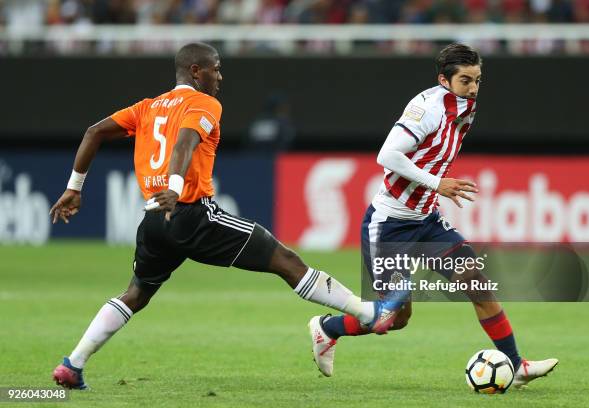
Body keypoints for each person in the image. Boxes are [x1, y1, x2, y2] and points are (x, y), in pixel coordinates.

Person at [49, 42, 392, 390]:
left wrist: (74, 187)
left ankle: (73, 365)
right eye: (216, 68)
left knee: (136, 293)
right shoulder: (204, 103)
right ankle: (368, 313)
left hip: (154, 219)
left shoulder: (148, 107)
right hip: (190, 214)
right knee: (286, 261)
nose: (220, 76)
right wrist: (175, 185)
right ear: (196, 71)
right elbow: (185, 141)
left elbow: (94, 132)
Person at [308, 43, 559, 386]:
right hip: (390, 227)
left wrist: (433, 190)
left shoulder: (467, 107)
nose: (473, 87)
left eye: (478, 80)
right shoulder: (426, 108)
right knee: (394, 318)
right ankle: (327, 328)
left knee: (478, 284)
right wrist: (437, 183)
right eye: (465, 80)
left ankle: (516, 366)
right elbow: (388, 155)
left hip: (426, 222)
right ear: (444, 80)